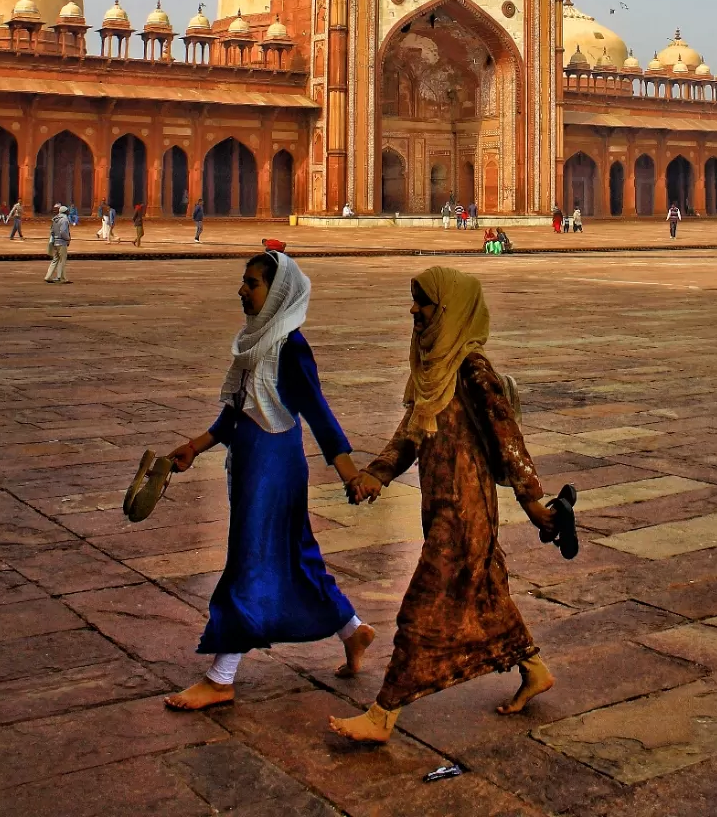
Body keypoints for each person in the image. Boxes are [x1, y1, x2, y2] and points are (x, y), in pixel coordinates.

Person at [329, 267, 556, 744]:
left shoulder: (472, 368)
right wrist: (377, 474)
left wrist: (534, 502)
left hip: (466, 511)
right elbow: (413, 432)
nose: (415, 310)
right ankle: (534, 669)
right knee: (487, 596)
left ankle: (384, 713)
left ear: (449, 309)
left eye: (423, 303)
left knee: (422, 610)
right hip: (442, 503)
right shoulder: (434, 368)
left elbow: (507, 436)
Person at [163, 251, 373, 711]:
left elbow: (318, 413)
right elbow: (241, 407)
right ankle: (352, 630)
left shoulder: (290, 346)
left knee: (249, 560)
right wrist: (196, 446)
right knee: (297, 554)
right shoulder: (255, 341)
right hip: (254, 458)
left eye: (252, 284)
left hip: (273, 468)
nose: (242, 291)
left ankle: (221, 676)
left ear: (276, 293)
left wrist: (349, 473)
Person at [45, 205, 71, 284]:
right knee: (62, 261)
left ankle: (48, 276)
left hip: (55, 242)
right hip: (62, 242)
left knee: (55, 260)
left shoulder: (55, 219)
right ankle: (62, 278)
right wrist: (68, 238)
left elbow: (52, 231)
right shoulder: (64, 220)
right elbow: (63, 232)